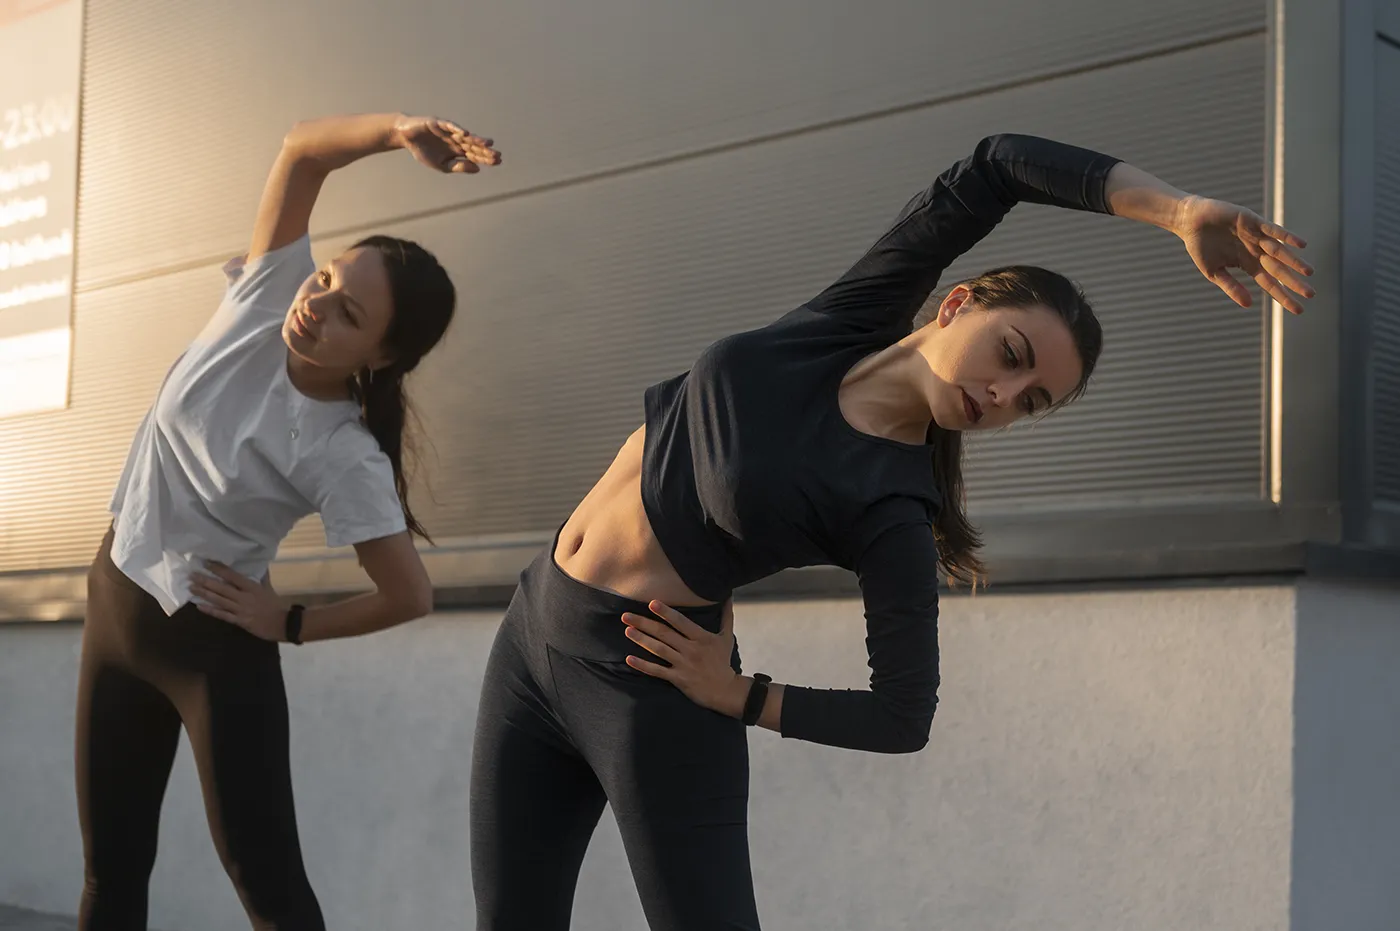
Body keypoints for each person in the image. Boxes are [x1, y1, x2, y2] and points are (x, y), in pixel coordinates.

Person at [468, 133, 1313, 930]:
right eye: (1010, 354)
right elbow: (998, 164)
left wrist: (741, 695)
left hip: (649, 685)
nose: (1002, 396)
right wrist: (1178, 211)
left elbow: (904, 714)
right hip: (532, 630)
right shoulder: (850, 317)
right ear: (956, 304)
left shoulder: (894, 510)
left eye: (1029, 402)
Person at [75, 111, 501, 930]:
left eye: (349, 315)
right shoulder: (267, 294)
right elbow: (302, 153)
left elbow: (408, 594)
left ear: (380, 357)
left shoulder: (342, 452)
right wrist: (399, 130)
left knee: (265, 882)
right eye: (328, 281)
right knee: (110, 872)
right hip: (114, 602)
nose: (318, 306)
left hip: (212, 646)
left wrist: (290, 621)